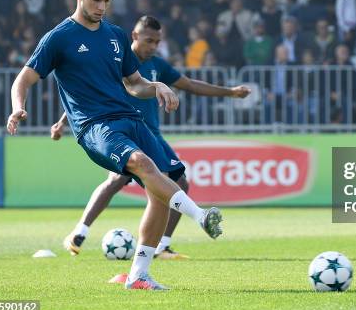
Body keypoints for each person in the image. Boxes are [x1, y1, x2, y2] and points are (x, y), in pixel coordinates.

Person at [6, 0, 223, 290]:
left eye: (106, 1)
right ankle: (200, 216)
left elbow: (134, 84)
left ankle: (138, 275)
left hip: (130, 119)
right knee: (143, 165)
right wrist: (18, 107)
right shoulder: (58, 38)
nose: (101, 7)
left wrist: (158, 86)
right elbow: (23, 78)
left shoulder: (116, 35)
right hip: (95, 127)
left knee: (171, 182)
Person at [53, 15, 251, 260]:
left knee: (180, 184)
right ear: (134, 36)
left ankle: (160, 246)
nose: (153, 46)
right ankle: (80, 232)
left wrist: (230, 92)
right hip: (122, 133)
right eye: (149, 41)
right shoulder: (116, 59)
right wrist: (63, 122)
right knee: (117, 181)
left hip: (151, 135)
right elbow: (86, 95)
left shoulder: (158, 65)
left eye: (157, 42)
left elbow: (189, 84)